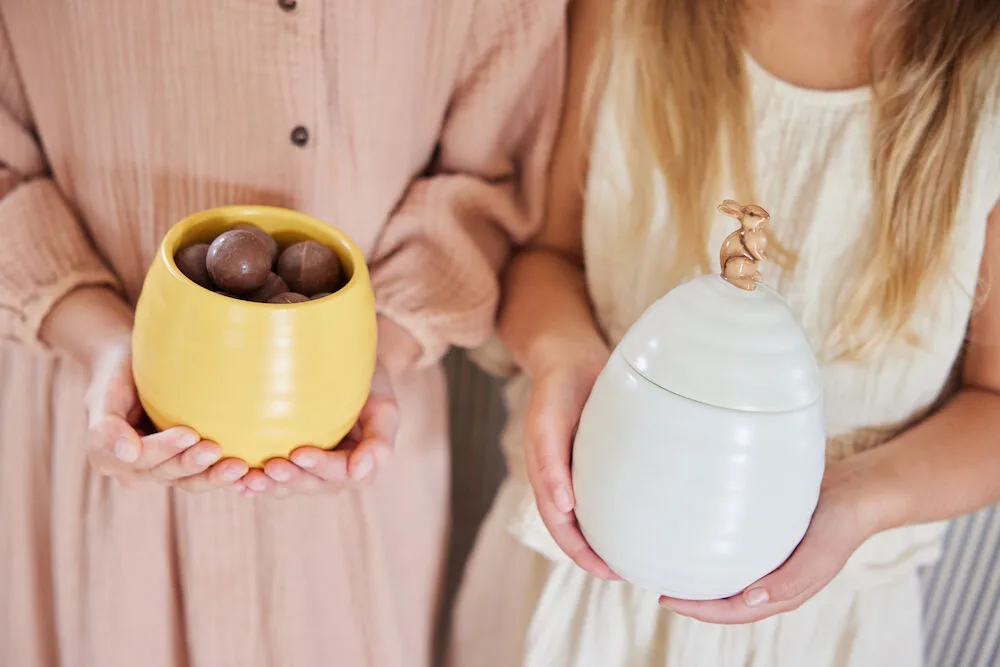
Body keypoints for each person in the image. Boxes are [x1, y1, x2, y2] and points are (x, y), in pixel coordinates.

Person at [0, 2, 566, 665]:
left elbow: (489, 175)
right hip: (91, 426)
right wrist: (104, 342)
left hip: (361, 450)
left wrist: (367, 354)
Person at [449, 0, 1000, 665]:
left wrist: (854, 503)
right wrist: (565, 356)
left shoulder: (985, 83)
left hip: (822, 621)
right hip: (574, 578)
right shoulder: (632, 14)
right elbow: (546, 260)